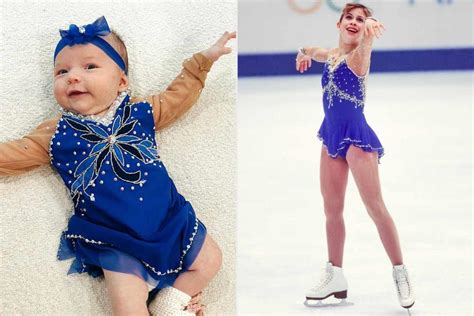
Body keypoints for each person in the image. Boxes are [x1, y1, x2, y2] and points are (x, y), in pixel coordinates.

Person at [0, 16, 235, 315]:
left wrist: (203, 61)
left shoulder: (140, 111)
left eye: (89, 67)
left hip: (170, 219)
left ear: (121, 81)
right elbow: (12, 154)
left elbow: (179, 96)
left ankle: (170, 301)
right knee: (127, 307)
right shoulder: (55, 133)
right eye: (62, 71)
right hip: (115, 240)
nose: (73, 76)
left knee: (211, 260)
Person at [295, 3, 415, 310]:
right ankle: (335, 275)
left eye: (361, 20)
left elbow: (364, 52)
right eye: (349, 16)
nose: (354, 21)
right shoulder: (333, 56)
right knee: (332, 210)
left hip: (356, 139)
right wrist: (304, 51)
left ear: (365, 28)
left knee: (375, 207)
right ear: (339, 23)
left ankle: (400, 272)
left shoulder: (358, 57)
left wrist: (369, 37)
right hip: (332, 135)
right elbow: (317, 50)